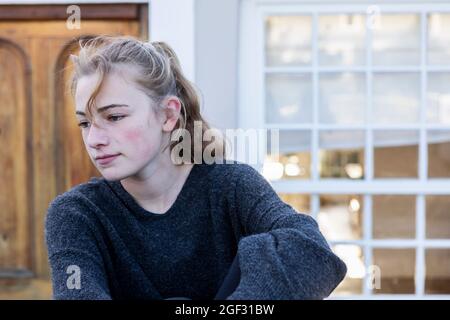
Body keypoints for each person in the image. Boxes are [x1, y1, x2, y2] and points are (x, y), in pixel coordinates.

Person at [45, 35, 347, 300]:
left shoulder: (232, 187)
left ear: (168, 115)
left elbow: (311, 251)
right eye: (85, 123)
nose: (94, 139)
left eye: (114, 117)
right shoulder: (76, 215)